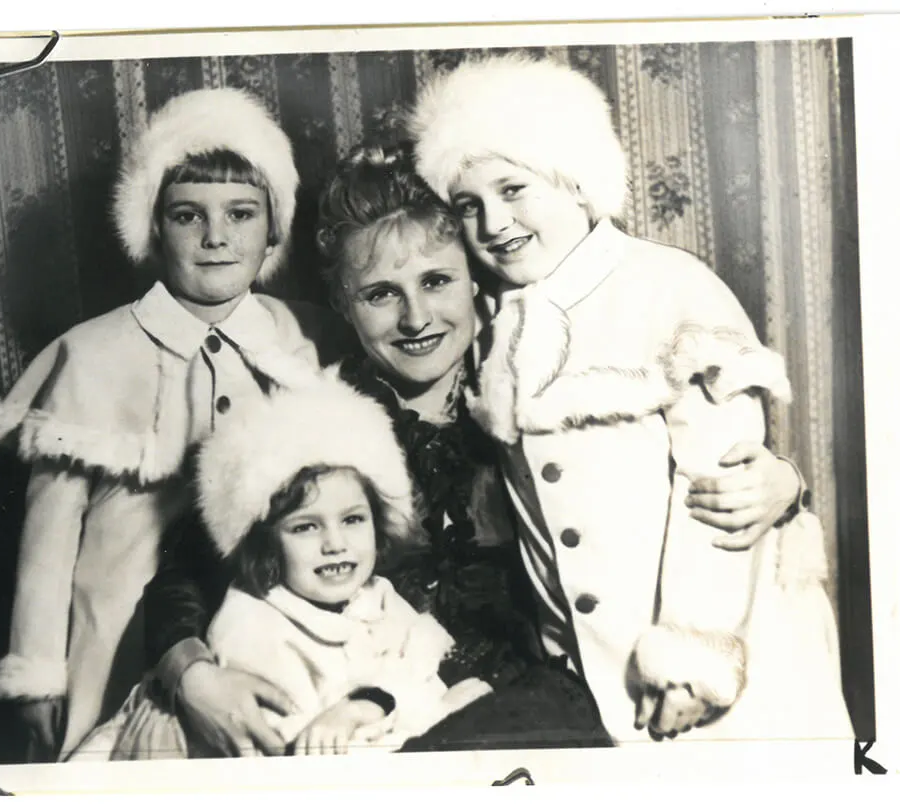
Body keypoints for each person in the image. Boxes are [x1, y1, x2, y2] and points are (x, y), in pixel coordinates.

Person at [126, 142, 815, 756]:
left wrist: (783, 481)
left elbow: (675, 466)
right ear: (341, 304)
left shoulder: (536, 393)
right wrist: (195, 677)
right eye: (379, 295)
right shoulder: (315, 422)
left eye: (435, 282)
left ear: (476, 282)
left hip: (539, 700)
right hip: (360, 710)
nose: (416, 318)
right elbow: (185, 572)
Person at [407, 53, 854, 743]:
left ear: (577, 183)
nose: (494, 222)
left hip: (730, 662)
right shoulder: (498, 327)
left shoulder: (671, 288)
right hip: (595, 675)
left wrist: (690, 659)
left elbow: (720, 491)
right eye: (469, 206)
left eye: (514, 189)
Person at [0, 86, 349, 761]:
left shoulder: (306, 336)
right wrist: (35, 669)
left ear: (274, 228)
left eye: (241, 214)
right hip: (116, 639)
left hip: (267, 632)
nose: (216, 237)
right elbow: (49, 539)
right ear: (152, 226)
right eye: (187, 216)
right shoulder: (87, 355)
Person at [76, 371, 492, 758]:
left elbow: (424, 669)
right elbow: (307, 752)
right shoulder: (253, 626)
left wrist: (381, 704)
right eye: (306, 527)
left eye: (352, 520)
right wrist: (404, 710)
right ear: (266, 546)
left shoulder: (377, 595)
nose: (335, 544)